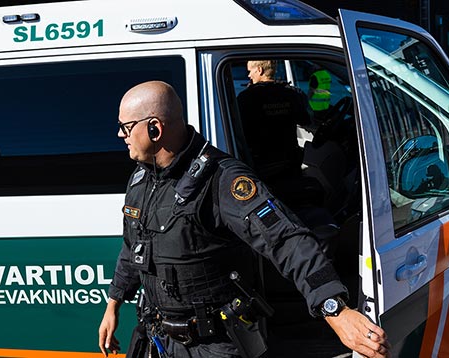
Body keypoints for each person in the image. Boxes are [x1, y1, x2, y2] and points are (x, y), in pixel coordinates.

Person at [98, 80, 389, 358]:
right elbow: (133, 247)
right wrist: (113, 304)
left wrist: (334, 308)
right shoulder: (141, 181)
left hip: (213, 346)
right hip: (160, 339)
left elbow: (287, 240)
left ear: (154, 129)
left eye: (125, 127)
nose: (120, 135)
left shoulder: (222, 180)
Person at [236, 60, 312, 207]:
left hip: (261, 165)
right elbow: (305, 120)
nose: (249, 75)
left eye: (250, 71)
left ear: (259, 70)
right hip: (290, 161)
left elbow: (237, 130)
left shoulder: (246, 98)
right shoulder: (291, 94)